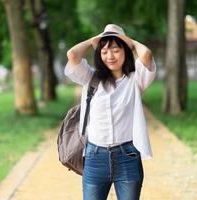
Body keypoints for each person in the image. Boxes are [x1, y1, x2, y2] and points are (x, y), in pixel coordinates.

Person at [65, 24, 156, 200]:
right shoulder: (90, 77)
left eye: (116, 50)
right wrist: (94, 40)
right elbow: (72, 55)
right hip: (94, 157)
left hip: (127, 156)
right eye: (104, 51)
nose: (110, 56)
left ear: (126, 52)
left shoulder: (135, 80)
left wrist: (128, 41)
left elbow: (145, 55)